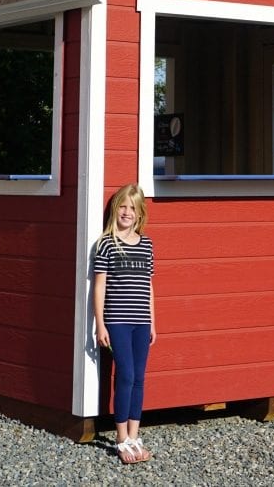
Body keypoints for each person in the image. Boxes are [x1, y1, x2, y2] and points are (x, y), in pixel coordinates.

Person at [93, 183, 156, 464]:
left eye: (133, 208)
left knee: (139, 378)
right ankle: (120, 438)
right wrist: (100, 323)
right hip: (117, 321)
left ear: (140, 213)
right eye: (123, 206)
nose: (127, 212)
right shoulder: (106, 244)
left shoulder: (146, 244)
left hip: (142, 322)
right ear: (115, 209)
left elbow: (149, 287)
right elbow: (100, 287)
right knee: (126, 375)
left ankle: (134, 435)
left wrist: (153, 322)